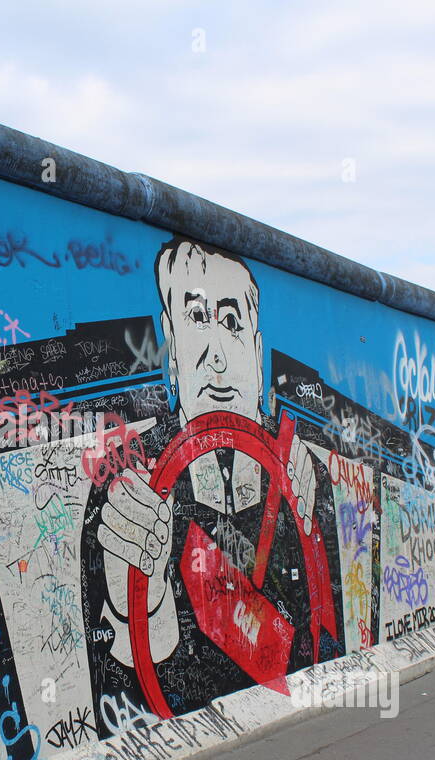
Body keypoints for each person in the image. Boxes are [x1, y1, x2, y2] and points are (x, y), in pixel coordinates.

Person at [79, 237, 341, 726]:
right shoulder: (126, 488)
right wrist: (136, 605)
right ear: (171, 345)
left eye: (231, 322)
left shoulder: (303, 479)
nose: (216, 356)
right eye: (197, 319)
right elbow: (115, 716)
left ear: (258, 352)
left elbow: (328, 646)